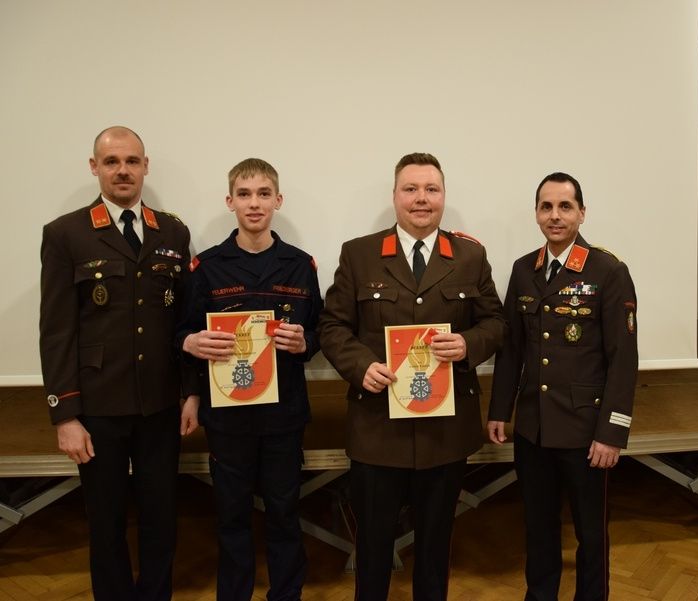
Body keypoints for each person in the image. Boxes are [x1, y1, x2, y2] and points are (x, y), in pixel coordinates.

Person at [318, 152, 506, 601]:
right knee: (375, 547)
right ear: (395, 196)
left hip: (446, 431)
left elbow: (496, 323)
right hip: (377, 429)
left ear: (443, 197)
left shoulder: (469, 256)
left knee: (435, 547)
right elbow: (331, 325)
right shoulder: (360, 253)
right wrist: (361, 365)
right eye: (411, 189)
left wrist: (467, 346)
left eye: (431, 190)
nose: (421, 199)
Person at [39, 126, 192, 601]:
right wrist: (65, 414)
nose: (122, 170)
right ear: (94, 168)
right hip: (98, 406)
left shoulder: (173, 230)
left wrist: (190, 392)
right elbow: (57, 330)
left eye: (131, 161)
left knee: (160, 517)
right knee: (105, 521)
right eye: (111, 162)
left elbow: (181, 323)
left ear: (146, 166)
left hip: (160, 404)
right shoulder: (66, 233)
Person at [486, 172, 638, 601]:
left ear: (581, 213)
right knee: (538, 527)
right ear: (536, 214)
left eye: (565, 206)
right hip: (533, 428)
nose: (555, 216)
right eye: (546, 207)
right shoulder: (523, 269)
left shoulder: (608, 271)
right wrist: (501, 410)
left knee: (591, 533)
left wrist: (612, 432)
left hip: (585, 431)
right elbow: (511, 349)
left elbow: (623, 360)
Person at [177, 158, 322, 601]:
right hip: (228, 416)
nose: (254, 203)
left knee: (283, 513)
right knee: (232, 517)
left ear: (278, 200)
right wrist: (190, 373)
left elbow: (320, 331)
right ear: (230, 202)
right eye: (244, 194)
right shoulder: (206, 267)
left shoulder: (301, 265)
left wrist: (304, 342)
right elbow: (181, 333)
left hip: (283, 415)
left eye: (263, 194)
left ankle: (286, 594)